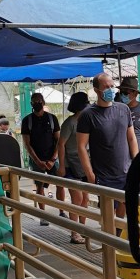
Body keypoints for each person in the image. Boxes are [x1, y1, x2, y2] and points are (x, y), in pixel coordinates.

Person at [76, 72, 138, 216]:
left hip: (126, 172)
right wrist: (90, 175)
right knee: (108, 216)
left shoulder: (124, 109)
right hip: (103, 176)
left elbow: (132, 138)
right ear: (96, 90)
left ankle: (119, 230)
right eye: (106, 87)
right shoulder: (88, 115)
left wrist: (137, 163)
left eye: (112, 86)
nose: (111, 89)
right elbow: (81, 146)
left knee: (126, 212)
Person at [20, 92, 62, 224]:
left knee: (60, 184)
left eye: (39, 101)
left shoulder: (52, 119)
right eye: (34, 102)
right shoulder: (27, 121)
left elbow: (58, 140)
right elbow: (27, 144)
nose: (37, 104)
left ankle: (62, 211)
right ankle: (43, 215)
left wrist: (53, 159)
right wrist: (37, 161)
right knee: (39, 186)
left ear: (43, 102)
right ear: (31, 104)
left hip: (52, 159)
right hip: (36, 159)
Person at [58, 91, 91, 243]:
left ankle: (82, 229)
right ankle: (74, 232)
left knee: (85, 198)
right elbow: (61, 144)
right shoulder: (70, 123)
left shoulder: (86, 121)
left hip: (84, 164)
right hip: (71, 165)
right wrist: (62, 166)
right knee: (77, 198)